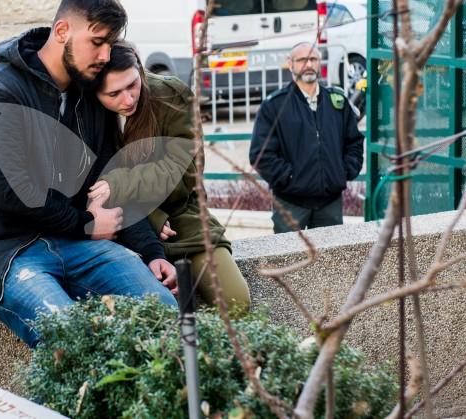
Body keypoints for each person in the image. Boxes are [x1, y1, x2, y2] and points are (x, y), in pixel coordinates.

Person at [0, 0, 178, 348]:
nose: (104, 55)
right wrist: (87, 224)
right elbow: (13, 194)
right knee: (70, 339)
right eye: (96, 41)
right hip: (1, 254)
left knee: (162, 311)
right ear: (62, 31)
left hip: (70, 242)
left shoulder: (87, 95)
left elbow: (106, 181)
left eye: (110, 43)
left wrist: (151, 252)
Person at [87, 42, 250, 311]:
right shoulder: (87, 113)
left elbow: (183, 174)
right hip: (124, 230)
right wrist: (150, 216)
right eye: (114, 93)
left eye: (132, 85)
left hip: (183, 218)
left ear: (139, 69)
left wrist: (119, 183)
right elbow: (91, 189)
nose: (128, 99)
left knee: (236, 301)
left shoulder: (170, 96)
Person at [249, 42, 364, 233]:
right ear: (290, 63)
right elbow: (260, 154)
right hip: (291, 203)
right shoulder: (275, 106)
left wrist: (342, 172)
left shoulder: (336, 102)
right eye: (302, 60)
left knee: (331, 259)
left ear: (319, 63)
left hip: (330, 202)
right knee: (290, 259)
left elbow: (354, 142)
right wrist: (290, 178)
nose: (308, 65)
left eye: (313, 59)